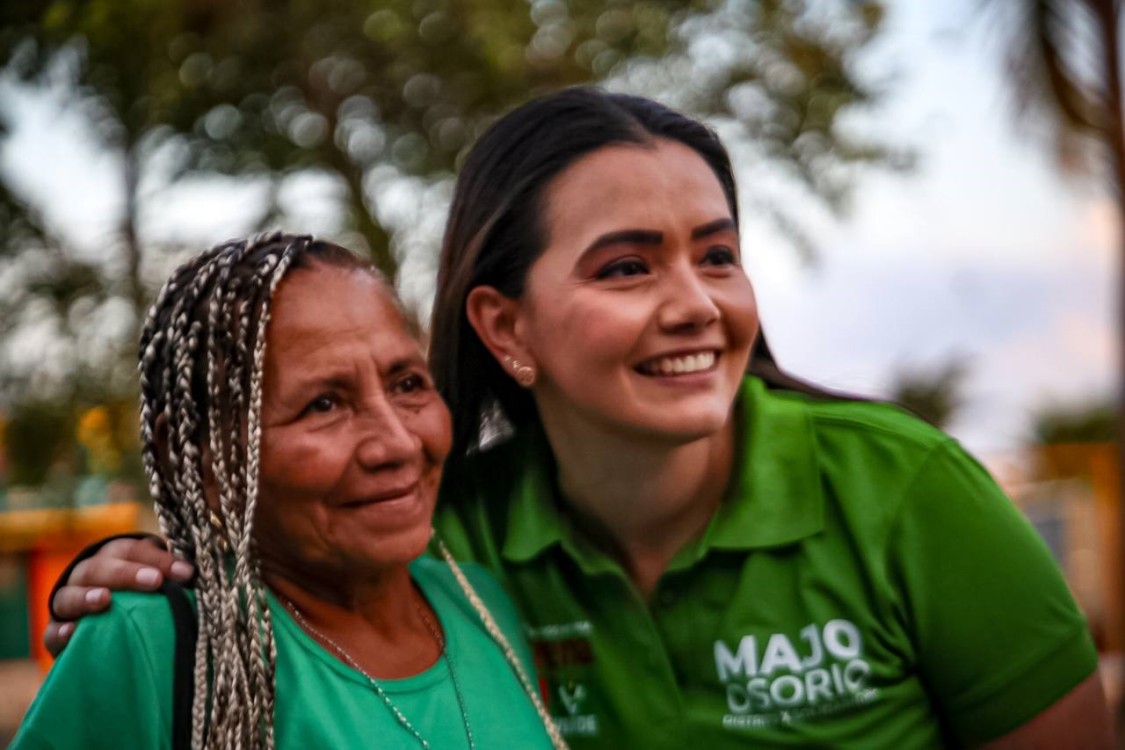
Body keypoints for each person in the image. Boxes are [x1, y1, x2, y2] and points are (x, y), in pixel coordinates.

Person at [45, 90, 1112, 748]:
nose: (694, 303)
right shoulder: (452, 542)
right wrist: (134, 576)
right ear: (505, 327)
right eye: (627, 267)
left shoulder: (906, 489)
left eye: (717, 255)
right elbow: (276, 550)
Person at [15, 234, 565, 749]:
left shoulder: (482, 604)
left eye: (407, 384)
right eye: (324, 404)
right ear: (204, 458)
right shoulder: (151, 642)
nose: (398, 443)